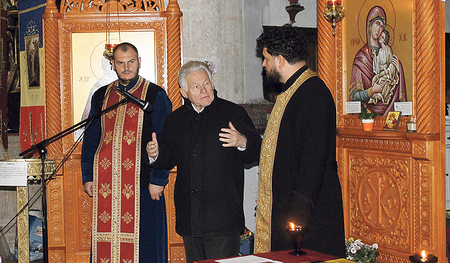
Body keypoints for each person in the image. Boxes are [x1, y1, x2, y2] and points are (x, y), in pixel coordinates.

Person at [146, 60, 262, 263]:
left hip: (223, 218)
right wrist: (154, 154)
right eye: (196, 87)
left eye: (206, 83)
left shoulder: (233, 113)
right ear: (184, 92)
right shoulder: (175, 120)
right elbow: (167, 159)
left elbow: (257, 151)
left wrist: (242, 141)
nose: (204, 90)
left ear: (213, 83)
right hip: (190, 217)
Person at [254, 24, 345, 258]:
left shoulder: (314, 93)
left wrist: (298, 217)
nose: (264, 64)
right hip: (289, 209)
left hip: (306, 216)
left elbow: (313, 161)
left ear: (280, 60)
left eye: (266, 59)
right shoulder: (294, 90)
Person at [81, 42, 172, 263]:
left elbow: (167, 140)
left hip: (144, 185)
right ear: (113, 65)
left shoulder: (155, 95)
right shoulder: (102, 95)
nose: (126, 67)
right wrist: (88, 176)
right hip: (108, 187)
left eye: (131, 62)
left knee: (145, 248)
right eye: (121, 63)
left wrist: (159, 178)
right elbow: (92, 137)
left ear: (139, 62)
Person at [349, 5, 407, 116]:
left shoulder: (388, 54)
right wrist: (372, 90)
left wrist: (399, 69)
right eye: (377, 23)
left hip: (389, 113)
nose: (379, 29)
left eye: (382, 26)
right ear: (369, 26)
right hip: (367, 114)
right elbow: (354, 96)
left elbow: (395, 83)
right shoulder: (361, 58)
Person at [369, 30, 399, 105]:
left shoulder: (388, 49)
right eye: (380, 36)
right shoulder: (379, 51)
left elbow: (391, 62)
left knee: (382, 80)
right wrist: (375, 55)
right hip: (381, 72)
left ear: (385, 40)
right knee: (375, 79)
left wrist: (388, 71)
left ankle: (379, 97)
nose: (380, 38)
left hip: (387, 72)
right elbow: (376, 67)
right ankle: (375, 96)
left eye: (382, 37)